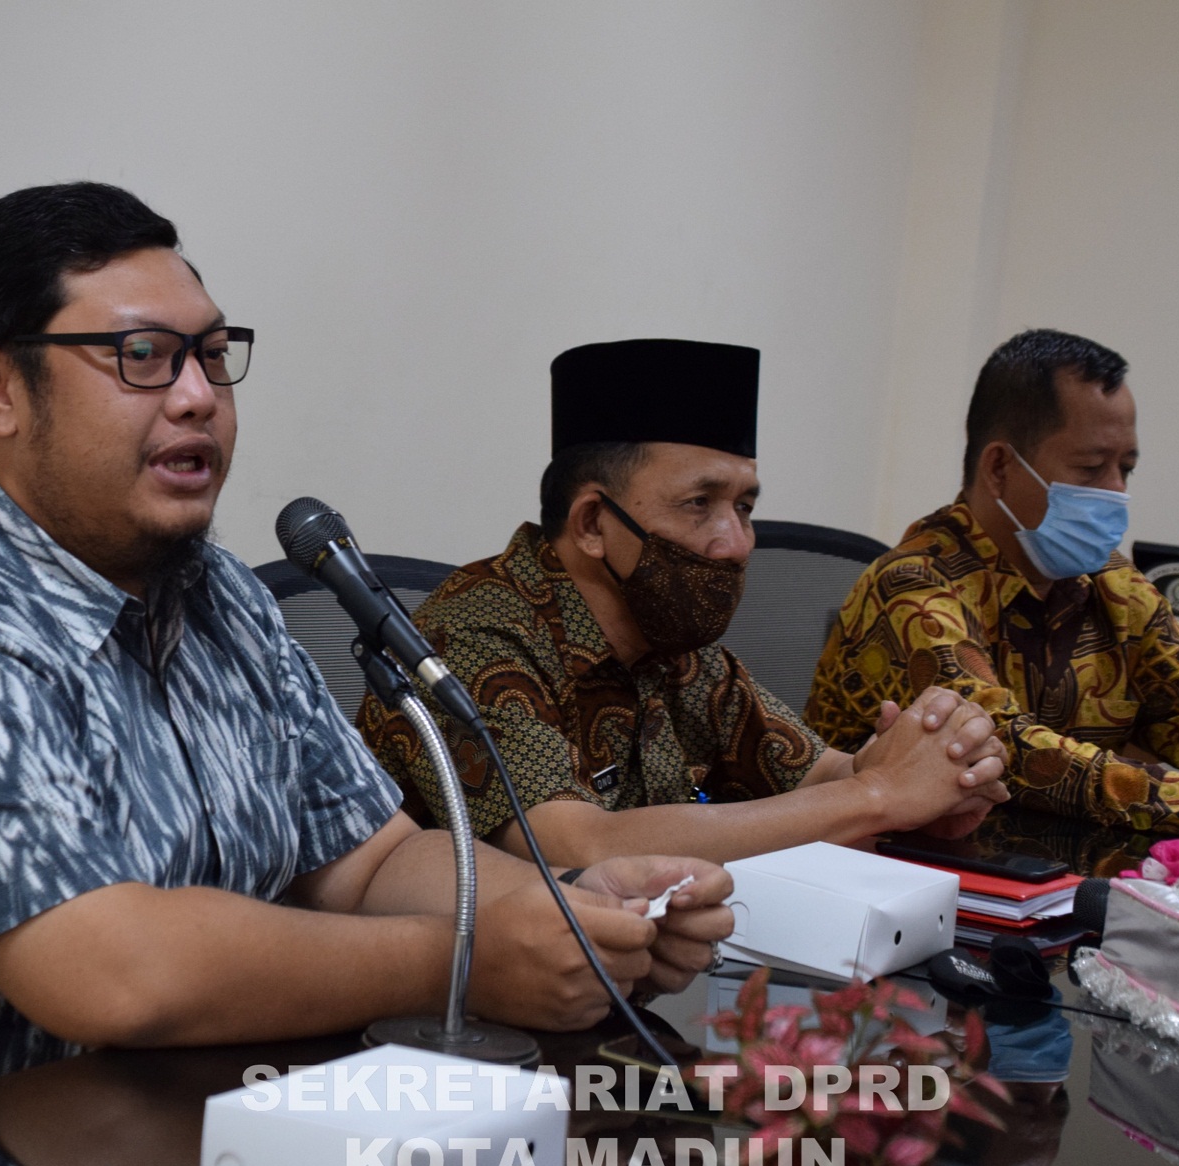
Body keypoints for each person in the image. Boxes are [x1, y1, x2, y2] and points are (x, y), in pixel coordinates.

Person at [0, 185, 731, 1159]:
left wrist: (572, 911)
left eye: (214, 355)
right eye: (141, 356)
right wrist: (468, 956)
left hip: (159, 1126)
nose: (197, 397)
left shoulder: (218, 591)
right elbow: (111, 972)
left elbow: (365, 864)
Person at [358, 338, 1009, 869]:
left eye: (744, 507)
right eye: (699, 504)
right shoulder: (468, 641)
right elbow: (572, 848)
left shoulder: (678, 650)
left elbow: (819, 780)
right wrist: (879, 794)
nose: (737, 543)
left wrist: (929, 774)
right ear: (592, 524)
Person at [805, 328, 1179, 863]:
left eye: (1126, 467)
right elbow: (1003, 749)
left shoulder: (1112, 583)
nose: (1115, 491)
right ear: (999, 467)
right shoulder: (912, 585)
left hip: (1055, 879)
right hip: (889, 876)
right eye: (1090, 467)